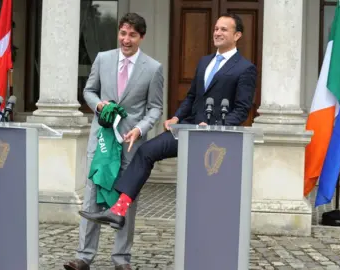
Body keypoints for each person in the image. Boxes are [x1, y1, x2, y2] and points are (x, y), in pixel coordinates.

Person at [78, 13, 257, 229]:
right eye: (216, 28)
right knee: (146, 151)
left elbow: (242, 110)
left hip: (216, 137)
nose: (217, 33)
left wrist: (216, 126)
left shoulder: (245, 68)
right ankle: (118, 210)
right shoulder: (205, 62)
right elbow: (192, 97)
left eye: (223, 30)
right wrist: (177, 116)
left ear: (237, 35)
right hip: (187, 127)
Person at [63, 13, 164, 270]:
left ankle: (121, 259)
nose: (126, 39)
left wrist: (140, 130)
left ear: (141, 37)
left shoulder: (153, 68)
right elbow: (88, 90)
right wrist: (99, 105)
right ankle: (84, 257)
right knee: (92, 196)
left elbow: (155, 108)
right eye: (122, 33)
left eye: (132, 35)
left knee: (125, 201)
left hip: (132, 145)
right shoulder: (103, 59)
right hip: (102, 142)